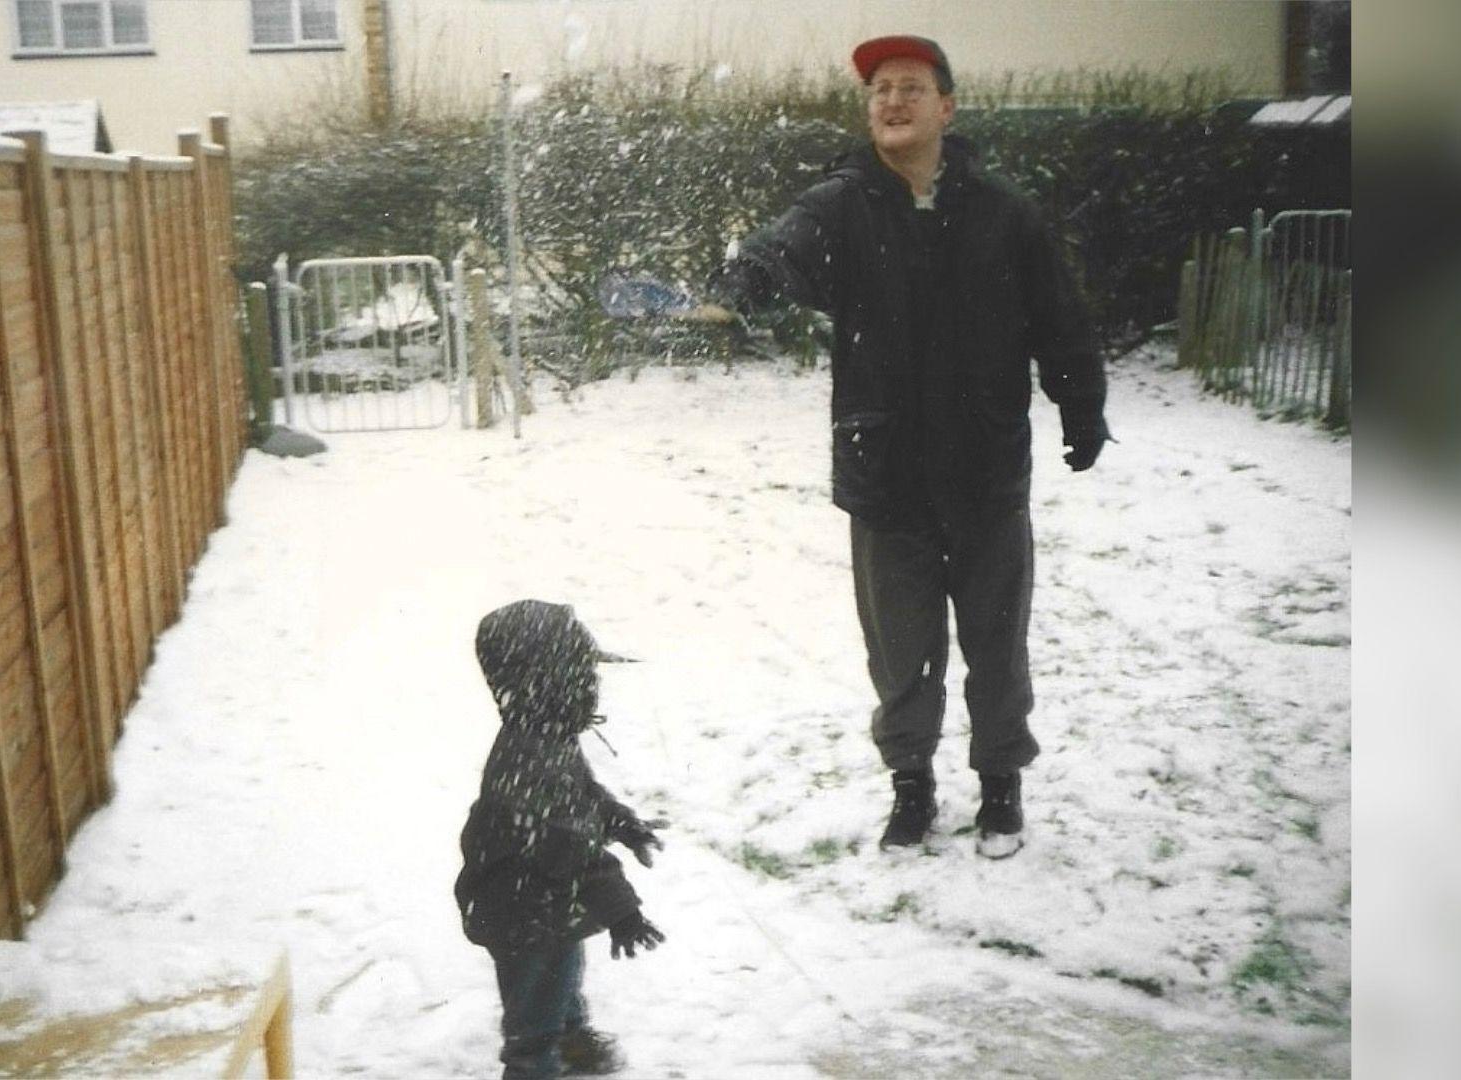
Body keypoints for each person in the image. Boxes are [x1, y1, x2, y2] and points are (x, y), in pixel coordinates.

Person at [694, 34, 1112, 859]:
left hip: (987, 469)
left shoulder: (1004, 212)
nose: (891, 101)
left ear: (946, 108)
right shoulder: (842, 206)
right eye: (879, 89)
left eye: (910, 87)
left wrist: (1082, 406)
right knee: (901, 651)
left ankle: (1000, 786)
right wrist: (748, 277)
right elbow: (785, 244)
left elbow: (1058, 318)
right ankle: (912, 788)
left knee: (997, 644)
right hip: (884, 472)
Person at [455, 599, 669, 1079]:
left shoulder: (544, 736)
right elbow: (571, 848)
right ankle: (533, 1066)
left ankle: (571, 1039)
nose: (592, 687)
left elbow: (584, 793)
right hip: (521, 910)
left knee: (562, 974)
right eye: (580, 675)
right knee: (534, 1006)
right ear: (545, 682)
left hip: (543, 902)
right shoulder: (528, 759)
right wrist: (624, 912)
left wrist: (622, 822)